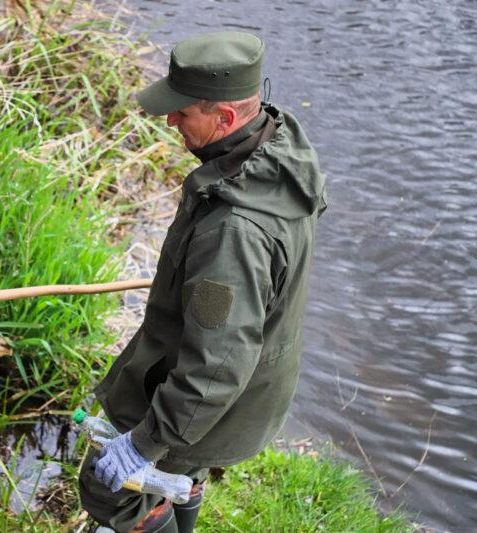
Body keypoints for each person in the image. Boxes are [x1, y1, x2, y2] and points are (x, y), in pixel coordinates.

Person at [79, 31, 328, 532]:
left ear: (226, 118)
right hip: (257, 392)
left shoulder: (233, 232)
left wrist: (143, 444)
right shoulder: (278, 150)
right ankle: (180, 497)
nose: (170, 120)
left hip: (216, 407)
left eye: (183, 111)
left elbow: (215, 370)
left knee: (109, 491)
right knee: (176, 474)